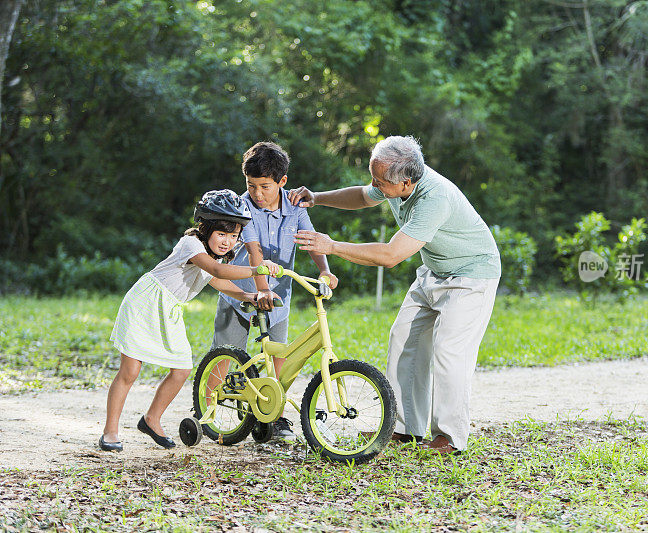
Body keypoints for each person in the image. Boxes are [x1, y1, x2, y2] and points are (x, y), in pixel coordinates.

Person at [288, 135, 500, 455]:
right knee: (403, 340)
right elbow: (362, 196)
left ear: (407, 182)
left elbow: (390, 256)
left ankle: (449, 438)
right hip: (435, 272)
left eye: (380, 181)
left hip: (471, 276)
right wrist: (316, 198)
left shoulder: (435, 197)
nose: (375, 185)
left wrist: (331, 246)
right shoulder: (394, 177)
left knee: (449, 353)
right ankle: (403, 428)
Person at [99, 189, 282, 452]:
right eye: (222, 233)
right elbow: (217, 270)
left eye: (234, 236)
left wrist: (248, 294)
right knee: (130, 371)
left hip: (170, 308)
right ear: (205, 227)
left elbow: (216, 279)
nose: (227, 242)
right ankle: (110, 431)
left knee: (182, 370)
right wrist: (257, 268)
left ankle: (151, 419)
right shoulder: (192, 245)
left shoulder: (213, 255)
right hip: (144, 302)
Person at [211, 141, 337, 441]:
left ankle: (273, 416)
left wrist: (324, 269)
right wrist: (262, 290)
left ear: (282, 182)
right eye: (251, 185)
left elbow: (309, 239)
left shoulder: (294, 205)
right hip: (240, 292)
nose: (257, 193)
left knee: (279, 357)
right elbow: (254, 252)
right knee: (224, 355)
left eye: (264, 186)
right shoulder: (242, 205)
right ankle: (207, 413)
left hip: (278, 295)